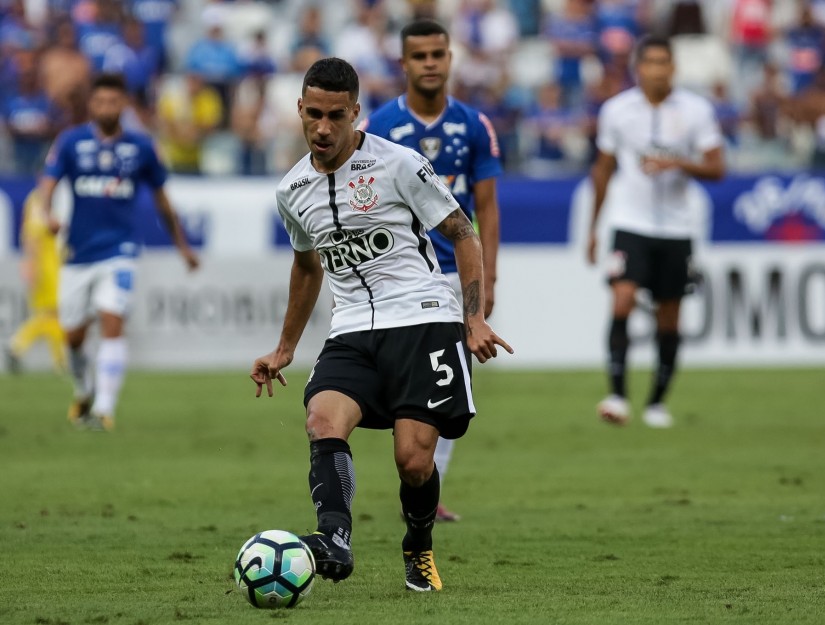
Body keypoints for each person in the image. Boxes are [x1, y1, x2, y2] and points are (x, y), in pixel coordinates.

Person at [250, 57, 512, 592]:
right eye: (314, 115)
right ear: (299, 110)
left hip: (422, 317)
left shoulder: (399, 165)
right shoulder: (291, 190)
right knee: (322, 420)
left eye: (336, 117)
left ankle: (418, 544)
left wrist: (474, 317)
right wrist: (284, 348)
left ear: (355, 114)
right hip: (350, 328)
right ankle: (334, 538)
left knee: (414, 462)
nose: (323, 129)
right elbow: (306, 267)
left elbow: (464, 232)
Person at [359, 18, 503, 522]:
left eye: (437, 55)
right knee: (401, 378)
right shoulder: (378, 126)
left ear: (449, 59)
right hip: (400, 274)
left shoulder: (473, 125)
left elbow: (485, 207)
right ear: (403, 63)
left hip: (456, 270)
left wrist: (488, 279)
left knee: (450, 377)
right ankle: (417, 471)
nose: (428, 63)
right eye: (418, 56)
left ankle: (427, 485)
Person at [37, 73, 199, 431]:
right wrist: (48, 213)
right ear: (91, 105)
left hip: (120, 251)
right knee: (73, 338)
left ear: (124, 104)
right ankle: (84, 391)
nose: (106, 107)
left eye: (113, 101)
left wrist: (182, 247)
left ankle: (104, 410)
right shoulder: (70, 142)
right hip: (78, 253)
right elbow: (47, 184)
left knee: (113, 323)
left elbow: (163, 202)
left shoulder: (141, 148)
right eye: (100, 102)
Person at [586, 35, 724, 428]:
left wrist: (678, 163)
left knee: (669, 317)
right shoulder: (616, 111)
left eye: (665, 62)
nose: (658, 70)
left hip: (678, 228)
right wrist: (594, 227)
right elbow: (603, 168)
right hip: (631, 222)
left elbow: (717, 168)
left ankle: (657, 403)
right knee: (622, 300)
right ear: (638, 68)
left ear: (673, 68)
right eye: (651, 63)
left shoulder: (696, 111)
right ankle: (616, 395)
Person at [4, 190, 66, 374]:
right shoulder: (39, 199)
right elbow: (32, 234)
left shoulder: (50, 197)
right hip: (45, 265)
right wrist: (30, 263)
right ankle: (17, 345)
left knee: (53, 314)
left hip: (54, 263)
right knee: (51, 313)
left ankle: (59, 361)